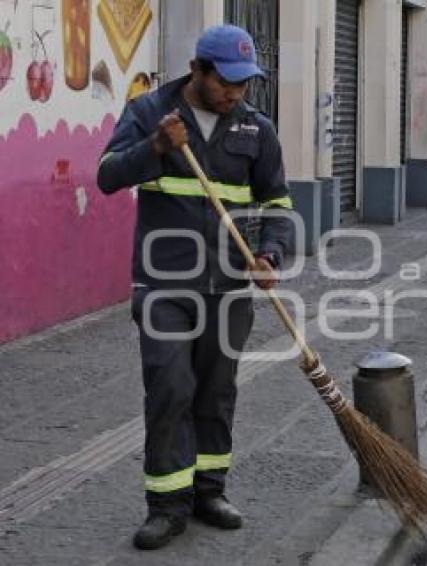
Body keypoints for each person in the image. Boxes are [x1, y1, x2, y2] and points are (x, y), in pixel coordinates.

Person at [97, 24, 294, 550]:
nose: (236, 92)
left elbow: (277, 206)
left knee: (216, 392)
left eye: (244, 83)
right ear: (198, 70)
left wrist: (271, 253)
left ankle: (209, 491)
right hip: (164, 284)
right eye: (226, 81)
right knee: (169, 388)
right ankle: (165, 504)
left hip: (228, 287)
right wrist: (156, 146)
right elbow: (108, 175)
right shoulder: (149, 113)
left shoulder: (256, 129)